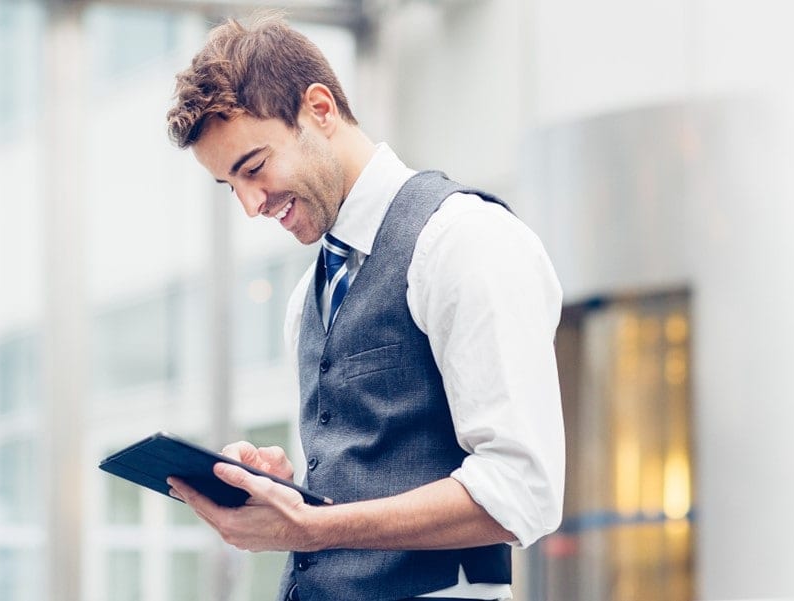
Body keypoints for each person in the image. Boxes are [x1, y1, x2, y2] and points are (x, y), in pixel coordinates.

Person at [163, 13, 564, 601]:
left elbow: (524, 489)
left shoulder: (464, 240)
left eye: (255, 168)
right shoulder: (307, 298)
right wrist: (286, 490)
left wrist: (313, 527)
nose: (250, 205)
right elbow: (361, 481)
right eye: (232, 186)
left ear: (319, 109)